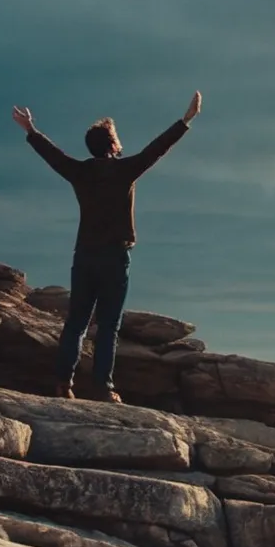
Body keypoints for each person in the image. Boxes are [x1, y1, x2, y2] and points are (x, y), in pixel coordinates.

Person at [11, 91, 202, 402]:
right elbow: (157, 149)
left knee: (76, 323)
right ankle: (103, 387)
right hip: (114, 257)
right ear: (113, 146)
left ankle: (63, 384)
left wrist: (31, 131)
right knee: (109, 325)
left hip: (84, 255)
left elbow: (53, 156)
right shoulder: (125, 170)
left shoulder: (80, 172)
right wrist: (186, 119)